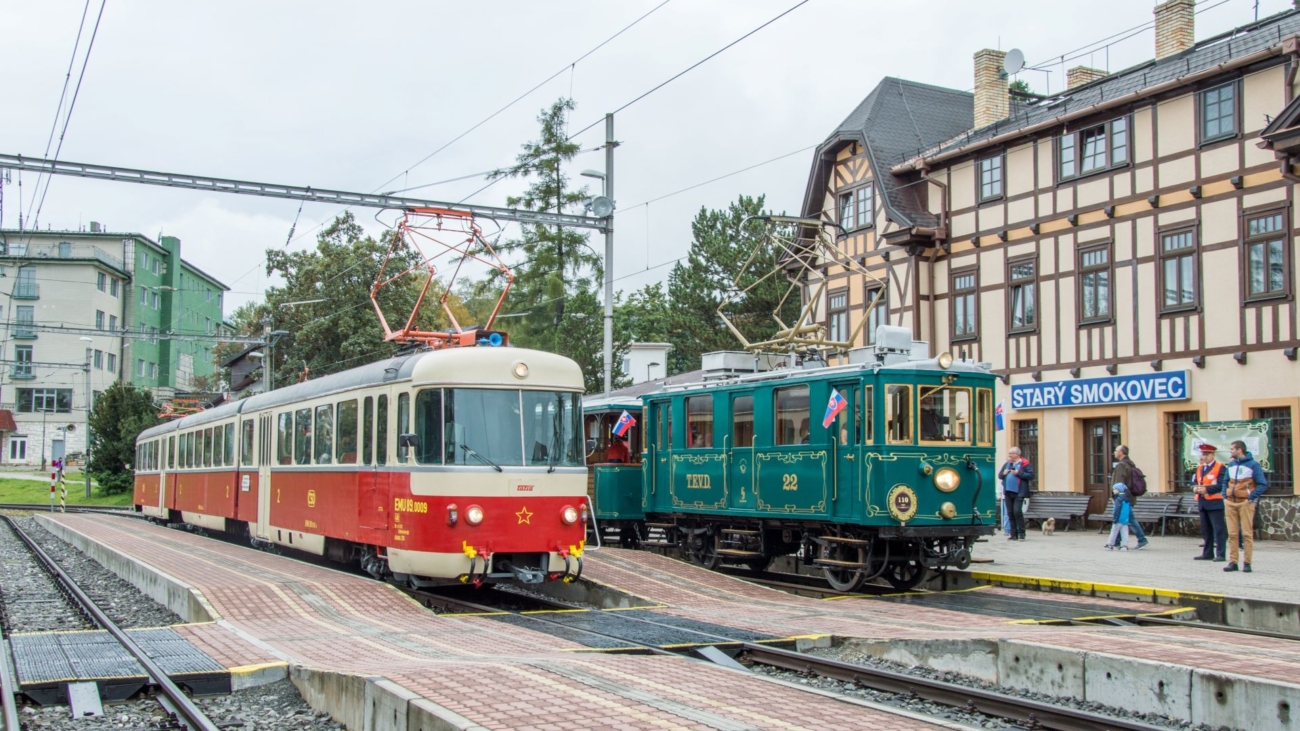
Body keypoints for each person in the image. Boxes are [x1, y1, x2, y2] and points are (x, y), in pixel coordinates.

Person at [1224, 439, 1268, 573]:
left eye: (1232, 449)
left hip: (1245, 503)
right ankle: (1233, 562)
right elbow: (1225, 482)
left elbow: (1262, 484)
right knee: (1232, 534)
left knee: (1247, 533)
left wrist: (1250, 498)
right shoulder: (1231, 465)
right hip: (1230, 502)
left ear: (1239, 450)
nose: (1230, 451)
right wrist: (1224, 496)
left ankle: (1247, 562)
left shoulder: (1253, 465)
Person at [1192, 443, 1227, 562]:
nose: (1204, 457)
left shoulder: (1220, 467)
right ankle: (1207, 553)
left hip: (1215, 502)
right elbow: (1195, 481)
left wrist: (1207, 489)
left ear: (1213, 455)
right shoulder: (1201, 468)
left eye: (1207, 454)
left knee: (1219, 529)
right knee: (1206, 530)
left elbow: (1222, 484)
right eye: (1203, 454)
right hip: (1202, 502)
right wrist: (1195, 488)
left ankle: (1221, 554)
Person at [1111, 445, 1148, 550]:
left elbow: (1119, 483)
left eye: (1116, 450)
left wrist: (1117, 496)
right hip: (1127, 497)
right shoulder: (1129, 464)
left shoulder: (1122, 466)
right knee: (1120, 519)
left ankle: (1142, 539)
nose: (1114, 452)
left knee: (1129, 519)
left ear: (1121, 452)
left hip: (1123, 498)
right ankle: (1117, 542)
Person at [998, 446, 1034, 541]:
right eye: (1009, 453)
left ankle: (1021, 533)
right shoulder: (1007, 464)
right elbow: (1000, 475)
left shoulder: (1025, 464)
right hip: (1008, 492)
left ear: (1017, 454)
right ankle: (1013, 534)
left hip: (1019, 492)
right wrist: (1004, 474)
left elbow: (1030, 475)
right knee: (1010, 513)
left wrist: (1018, 473)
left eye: (1011, 453)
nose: (1009, 455)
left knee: (1017, 512)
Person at [1104, 483, 1132, 551]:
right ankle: (1125, 546)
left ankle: (1110, 544)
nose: (1113, 490)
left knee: (1114, 531)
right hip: (1125, 518)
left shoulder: (1118, 499)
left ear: (1118, 490)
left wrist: (1115, 519)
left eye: (1114, 489)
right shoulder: (1126, 498)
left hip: (1118, 518)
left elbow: (1117, 509)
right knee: (1125, 532)